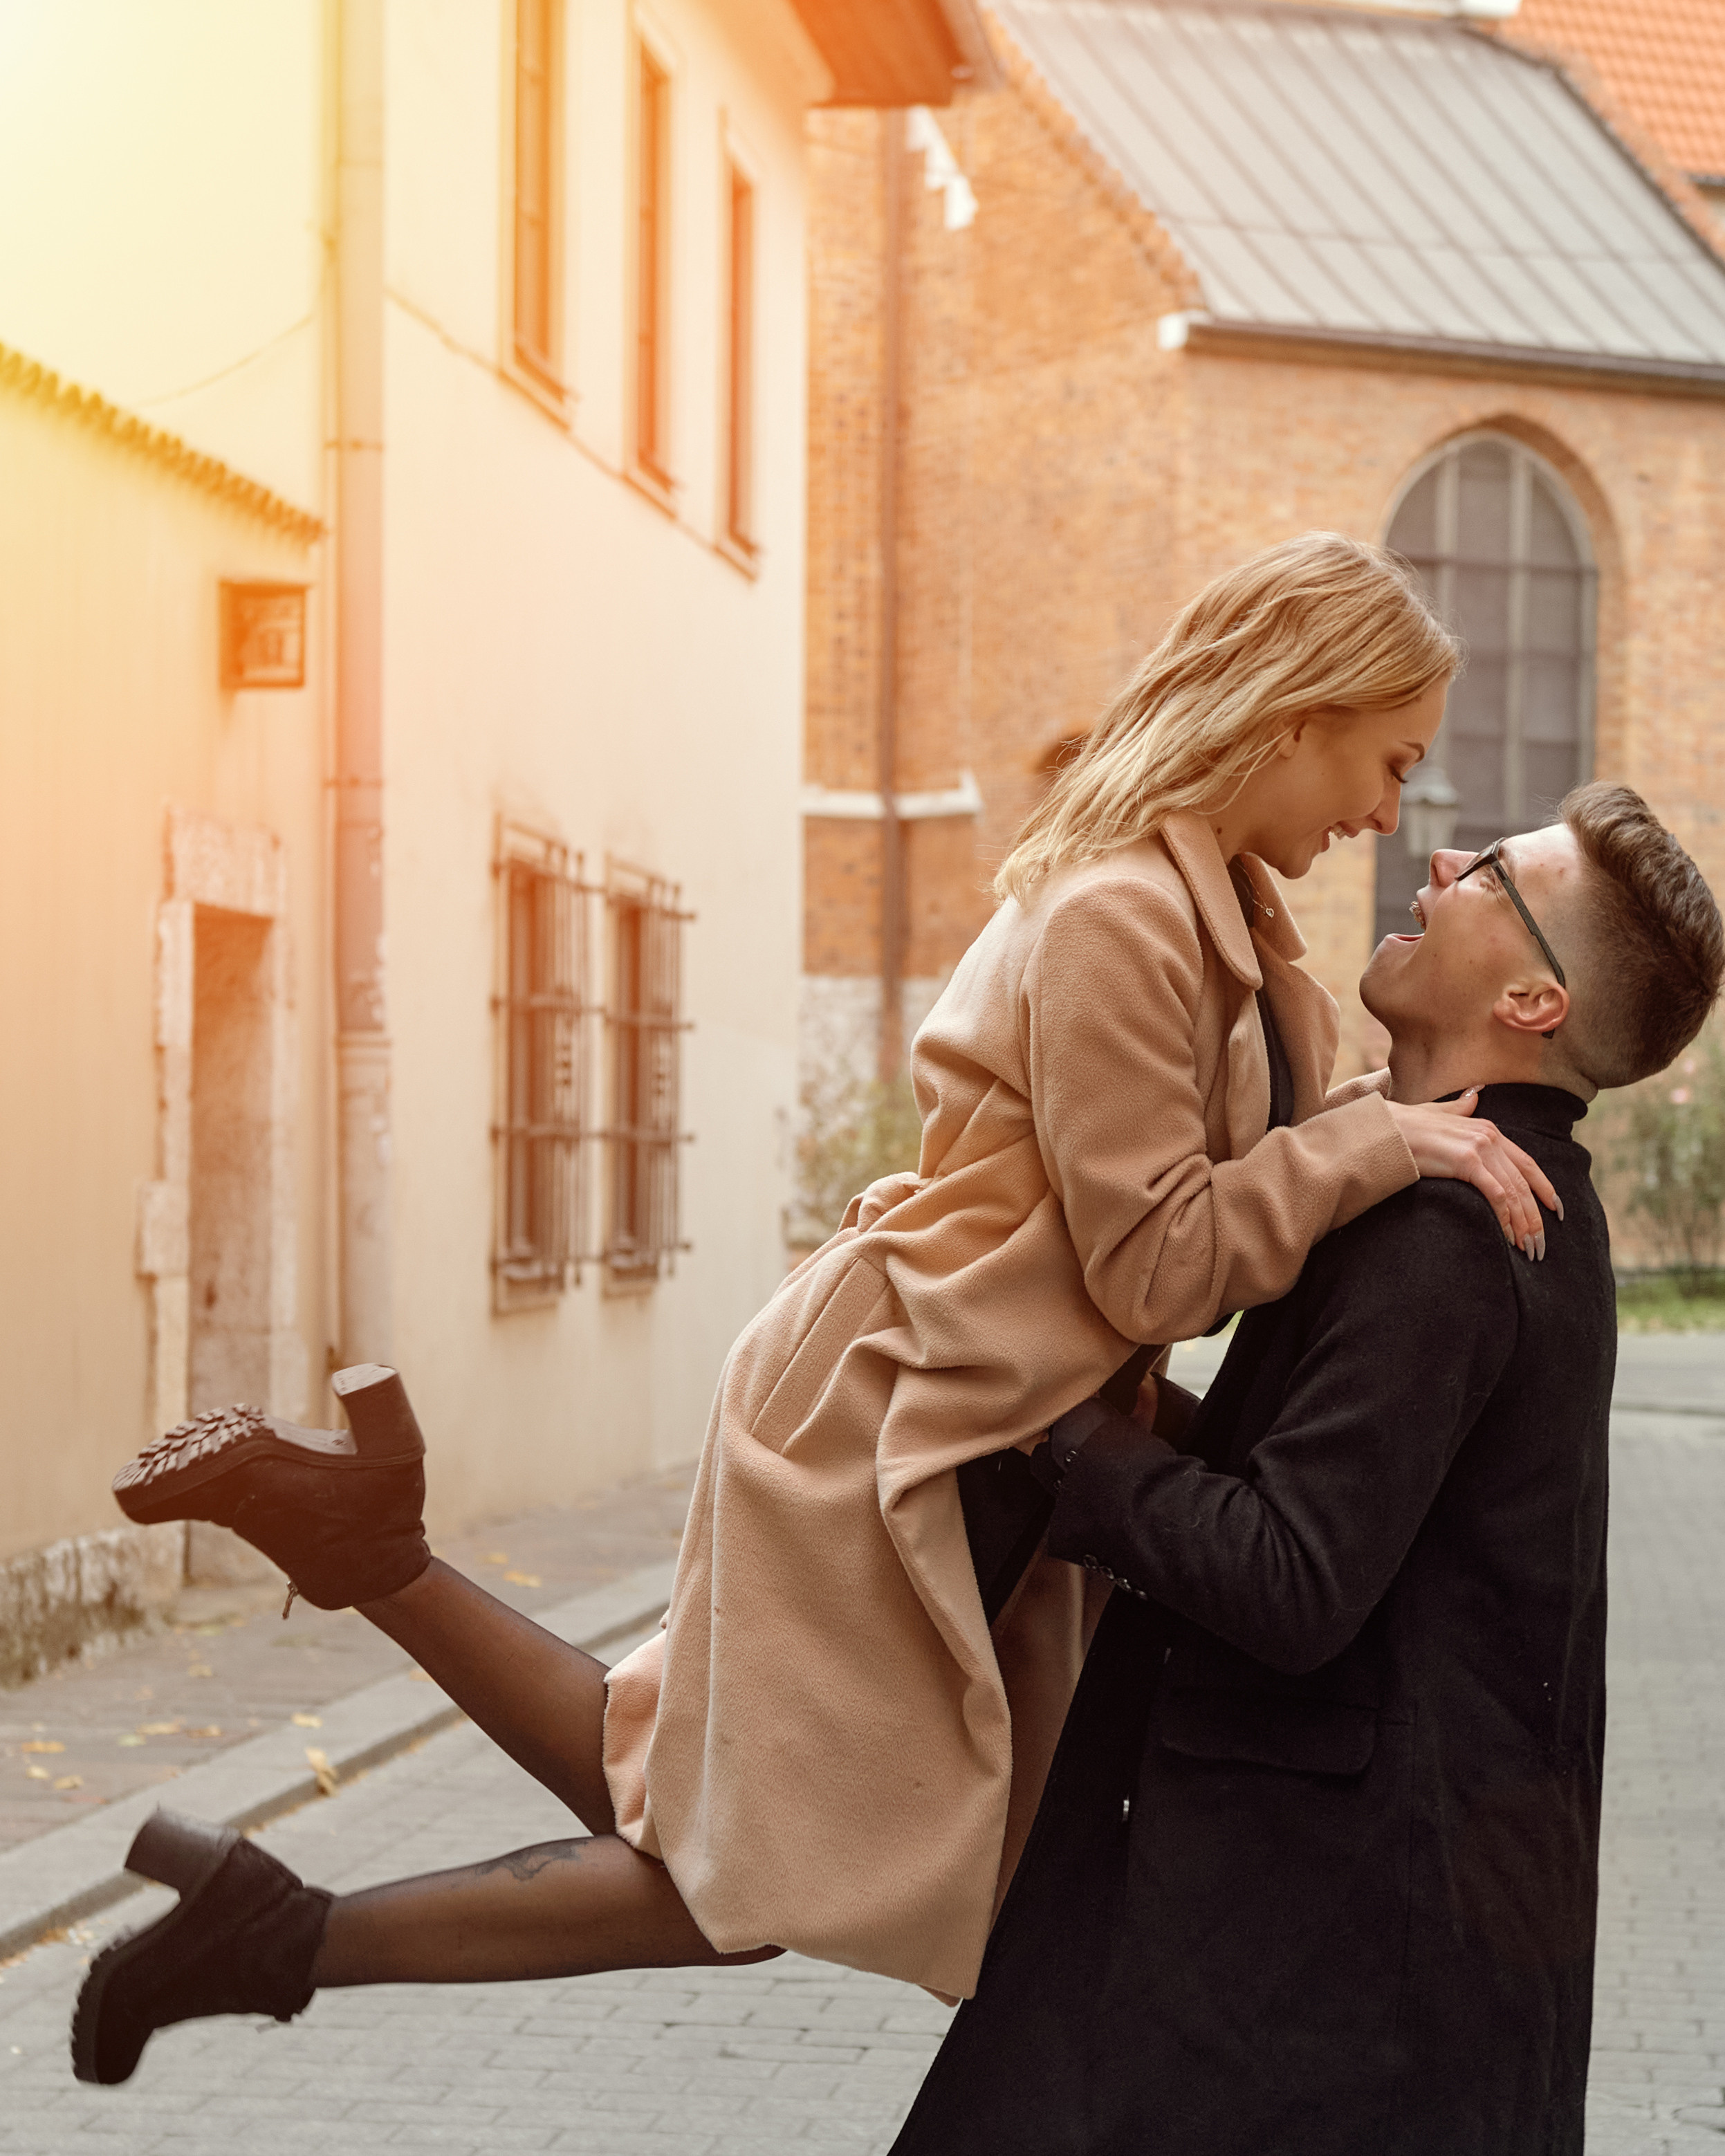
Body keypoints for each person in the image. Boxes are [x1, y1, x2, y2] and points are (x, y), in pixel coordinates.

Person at [74, 533, 1561, 2087]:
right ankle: (279, 1920)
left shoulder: (1220, 915)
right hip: (896, 1412)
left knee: (688, 1799)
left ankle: (360, 1554)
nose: (1389, 809)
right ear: (1291, 713)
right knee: (741, 1884)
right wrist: (1373, 1137)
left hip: (965, 1412)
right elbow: (1152, 1264)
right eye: (1386, 758)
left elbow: (1201, 1197)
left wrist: (1386, 1128)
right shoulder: (1121, 911)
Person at [887, 782, 1724, 2156]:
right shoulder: (1478, 1190)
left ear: (1529, 997)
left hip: (1288, 1982)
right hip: (1329, 1965)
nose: (1438, 854)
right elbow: (1328, 1494)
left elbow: (1288, 1574)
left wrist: (1061, 1431)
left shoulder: (1459, 1229)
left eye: (1490, 870)